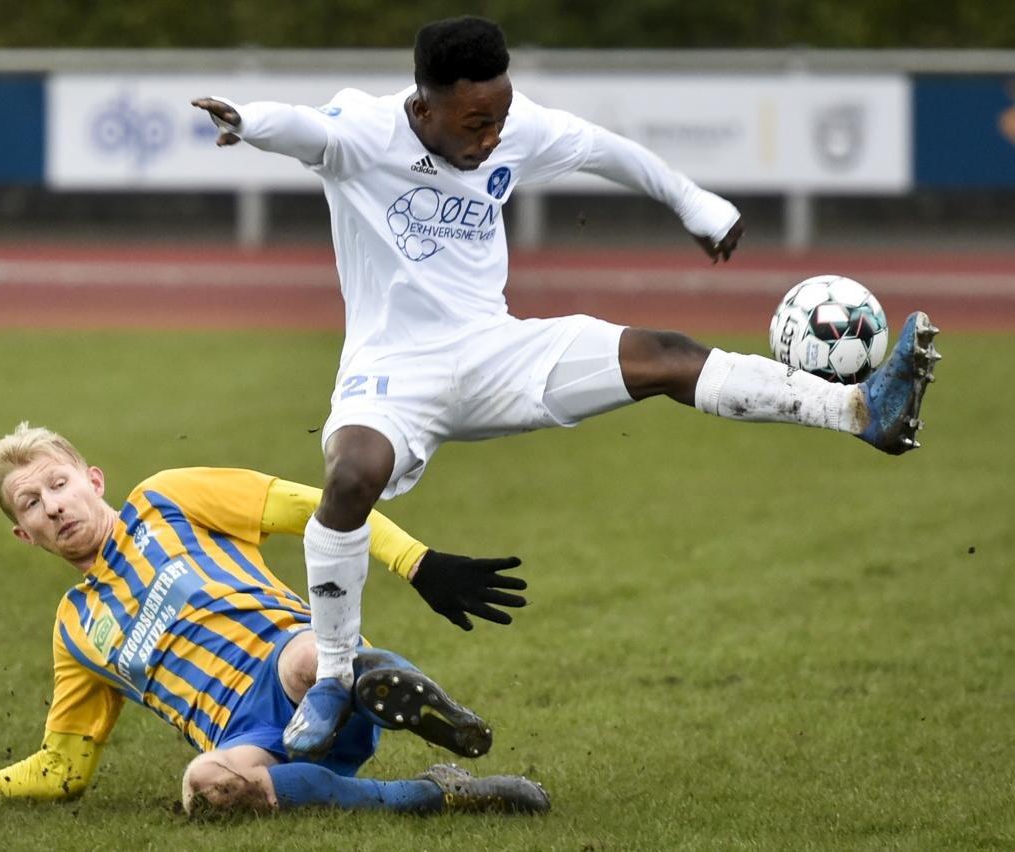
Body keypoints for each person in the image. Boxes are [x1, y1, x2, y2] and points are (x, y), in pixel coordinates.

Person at [191, 15, 941, 761]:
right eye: (474, 122)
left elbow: (605, 151)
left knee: (664, 355)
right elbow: (304, 132)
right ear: (423, 107)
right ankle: (332, 671)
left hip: (499, 351)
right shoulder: (364, 128)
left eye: (500, 119)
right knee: (351, 476)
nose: (490, 138)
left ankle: (859, 409)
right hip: (392, 371)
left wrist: (692, 201)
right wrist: (248, 121)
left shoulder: (509, 127)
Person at [0, 422, 548, 816]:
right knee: (206, 789)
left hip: (294, 660)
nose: (53, 507)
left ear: (93, 479)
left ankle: (379, 680)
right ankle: (441, 797)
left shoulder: (168, 500)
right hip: (253, 736)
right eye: (31, 505)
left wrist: (418, 562)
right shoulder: (75, 628)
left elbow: (316, 506)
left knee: (308, 661)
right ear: (23, 536)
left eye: (59, 485)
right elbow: (63, 770)